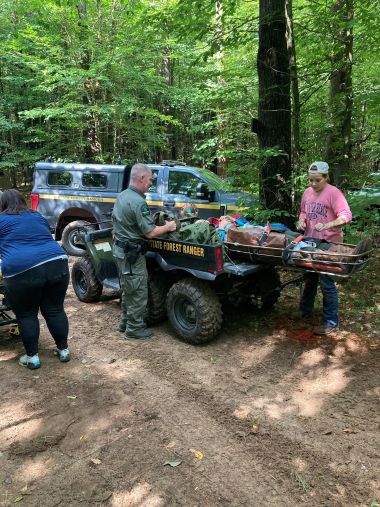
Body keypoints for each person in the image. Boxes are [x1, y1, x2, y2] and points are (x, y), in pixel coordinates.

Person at [0, 189, 70, 369]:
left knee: (26, 314)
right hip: (57, 263)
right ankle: (63, 350)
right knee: (55, 310)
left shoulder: (1, 220)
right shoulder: (37, 216)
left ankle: (32, 357)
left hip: (23, 271)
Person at [112, 163, 177, 340]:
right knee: (139, 292)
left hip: (120, 251)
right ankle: (134, 329)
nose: (151, 183)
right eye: (150, 179)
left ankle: (125, 323)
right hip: (131, 254)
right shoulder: (138, 202)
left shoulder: (123, 195)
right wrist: (169, 226)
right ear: (141, 178)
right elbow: (150, 233)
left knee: (128, 289)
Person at [295, 161, 352, 335]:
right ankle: (305, 309)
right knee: (310, 277)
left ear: (326, 177)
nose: (313, 184)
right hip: (311, 241)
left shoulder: (334, 193)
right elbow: (303, 211)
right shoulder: (307, 192)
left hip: (329, 244)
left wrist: (328, 225)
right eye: (310, 180)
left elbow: (346, 216)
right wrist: (301, 221)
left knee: (327, 282)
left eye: (317, 180)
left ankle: (331, 323)